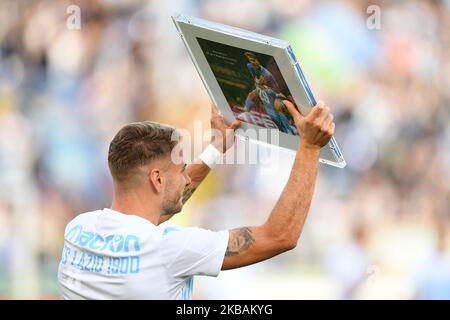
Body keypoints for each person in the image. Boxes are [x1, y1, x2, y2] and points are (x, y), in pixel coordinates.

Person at [57, 100, 335, 299]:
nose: (188, 178)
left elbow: (154, 210)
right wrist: (309, 147)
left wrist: (216, 149)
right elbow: (280, 236)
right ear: (157, 179)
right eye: (181, 170)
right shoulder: (170, 249)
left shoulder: (78, 230)